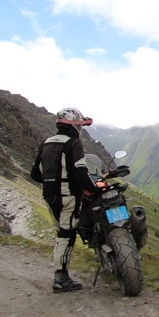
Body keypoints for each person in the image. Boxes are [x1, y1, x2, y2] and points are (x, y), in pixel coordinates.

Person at [31, 108, 99, 293]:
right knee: (67, 235)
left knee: (61, 232)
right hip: (68, 196)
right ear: (75, 126)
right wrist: (93, 190)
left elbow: (35, 174)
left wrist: (52, 182)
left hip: (49, 196)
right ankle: (61, 278)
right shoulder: (73, 143)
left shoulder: (45, 143)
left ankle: (61, 275)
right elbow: (80, 172)